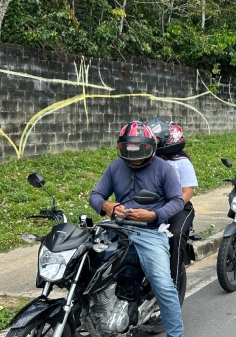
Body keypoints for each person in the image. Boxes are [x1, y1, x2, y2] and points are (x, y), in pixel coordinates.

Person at [89, 121, 185, 337]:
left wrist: (154, 214)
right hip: (117, 227)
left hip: (150, 231)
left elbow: (177, 201)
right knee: (87, 269)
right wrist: (107, 205)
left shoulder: (163, 168)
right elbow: (95, 195)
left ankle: (176, 334)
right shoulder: (115, 166)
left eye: (139, 151)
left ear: (150, 148)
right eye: (129, 151)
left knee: (163, 285)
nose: (134, 157)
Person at [146, 118, 198, 292]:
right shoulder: (148, 161)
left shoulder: (182, 163)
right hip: (153, 207)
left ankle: (173, 283)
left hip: (180, 208)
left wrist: (169, 209)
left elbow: (187, 193)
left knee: (175, 235)